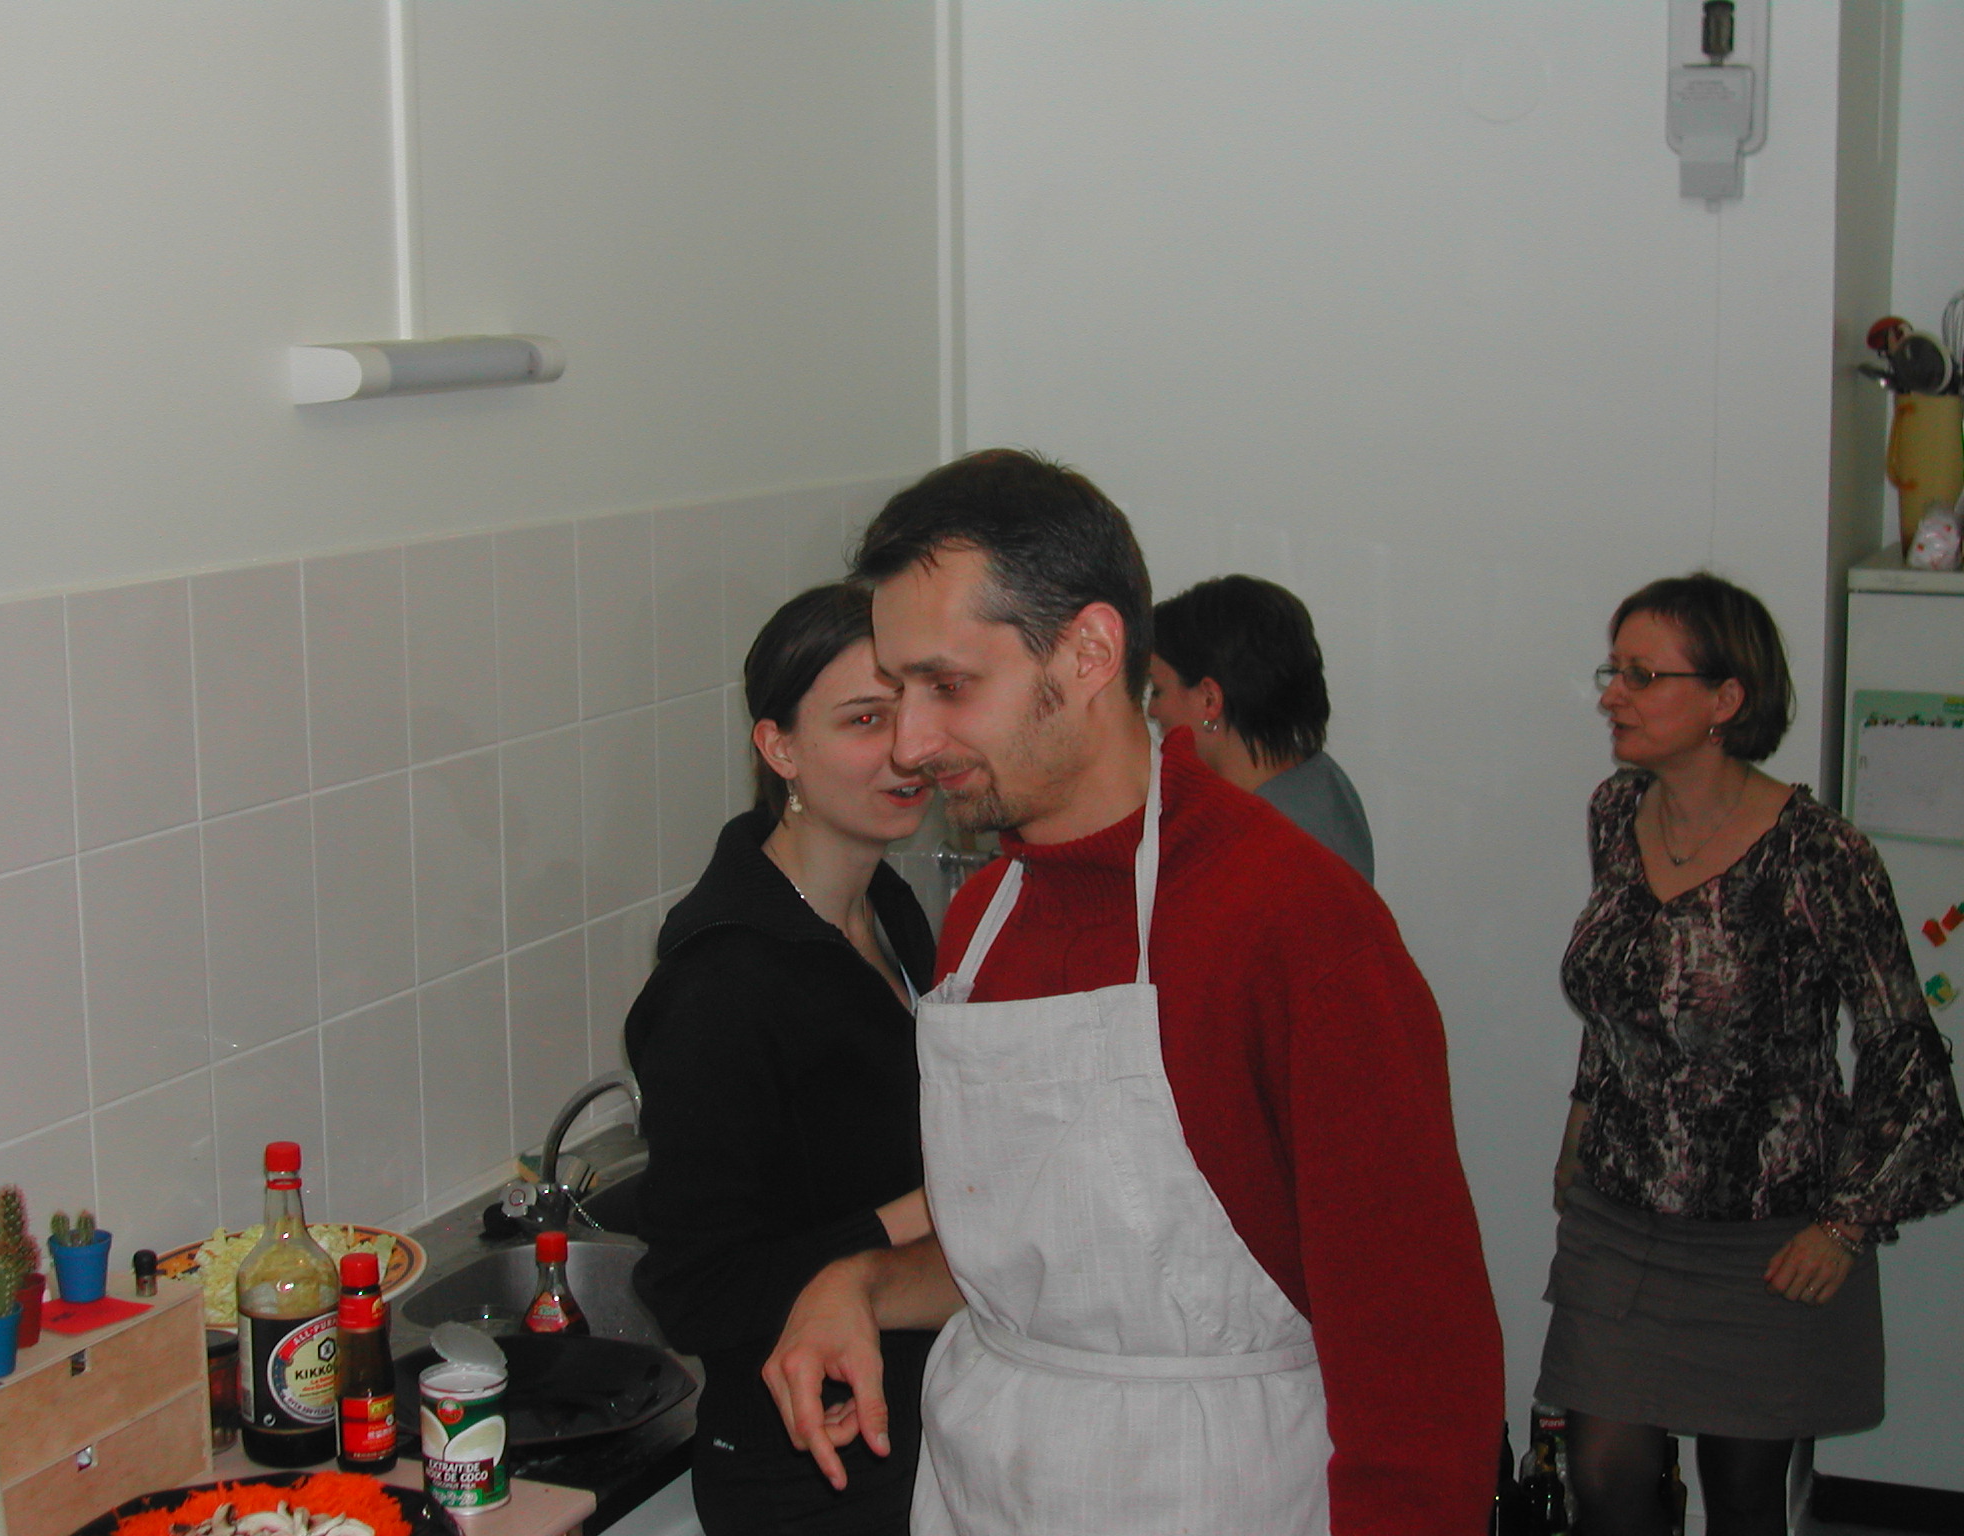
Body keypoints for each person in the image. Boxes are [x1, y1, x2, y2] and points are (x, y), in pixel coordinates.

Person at [762, 450, 1503, 1535]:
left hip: (1211, 1491)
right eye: (895, 690)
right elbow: (1044, 1264)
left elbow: (1417, 1355)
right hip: (985, 1489)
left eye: (947, 686)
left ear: (1090, 652)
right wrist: (865, 1285)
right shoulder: (987, 918)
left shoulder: (1292, 925)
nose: (911, 747)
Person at [1542, 573, 1964, 1536]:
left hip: (1766, 1240)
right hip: (1619, 1217)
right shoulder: (1615, 813)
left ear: (1726, 699)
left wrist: (1847, 1225)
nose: (1614, 695)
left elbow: (1903, 1049)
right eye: (1614, 671)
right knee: (1603, 1483)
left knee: (1741, 1500)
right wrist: (1580, 1119)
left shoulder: (1820, 854)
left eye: (1643, 675)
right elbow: (1626, 995)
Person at [627, 583, 941, 1536]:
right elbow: (697, 1292)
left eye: (918, 706)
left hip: (915, 1427)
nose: (909, 747)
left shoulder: (888, 909)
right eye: (864, 719)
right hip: (805, 1473)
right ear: (780, 747)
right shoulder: (722, 980)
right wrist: (920, 1213)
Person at [1149, 573, 1375, 881]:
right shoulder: (1322, 779)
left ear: (1209, 699)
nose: (1152, 710)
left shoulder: (1269, 843)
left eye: (1158, 690)